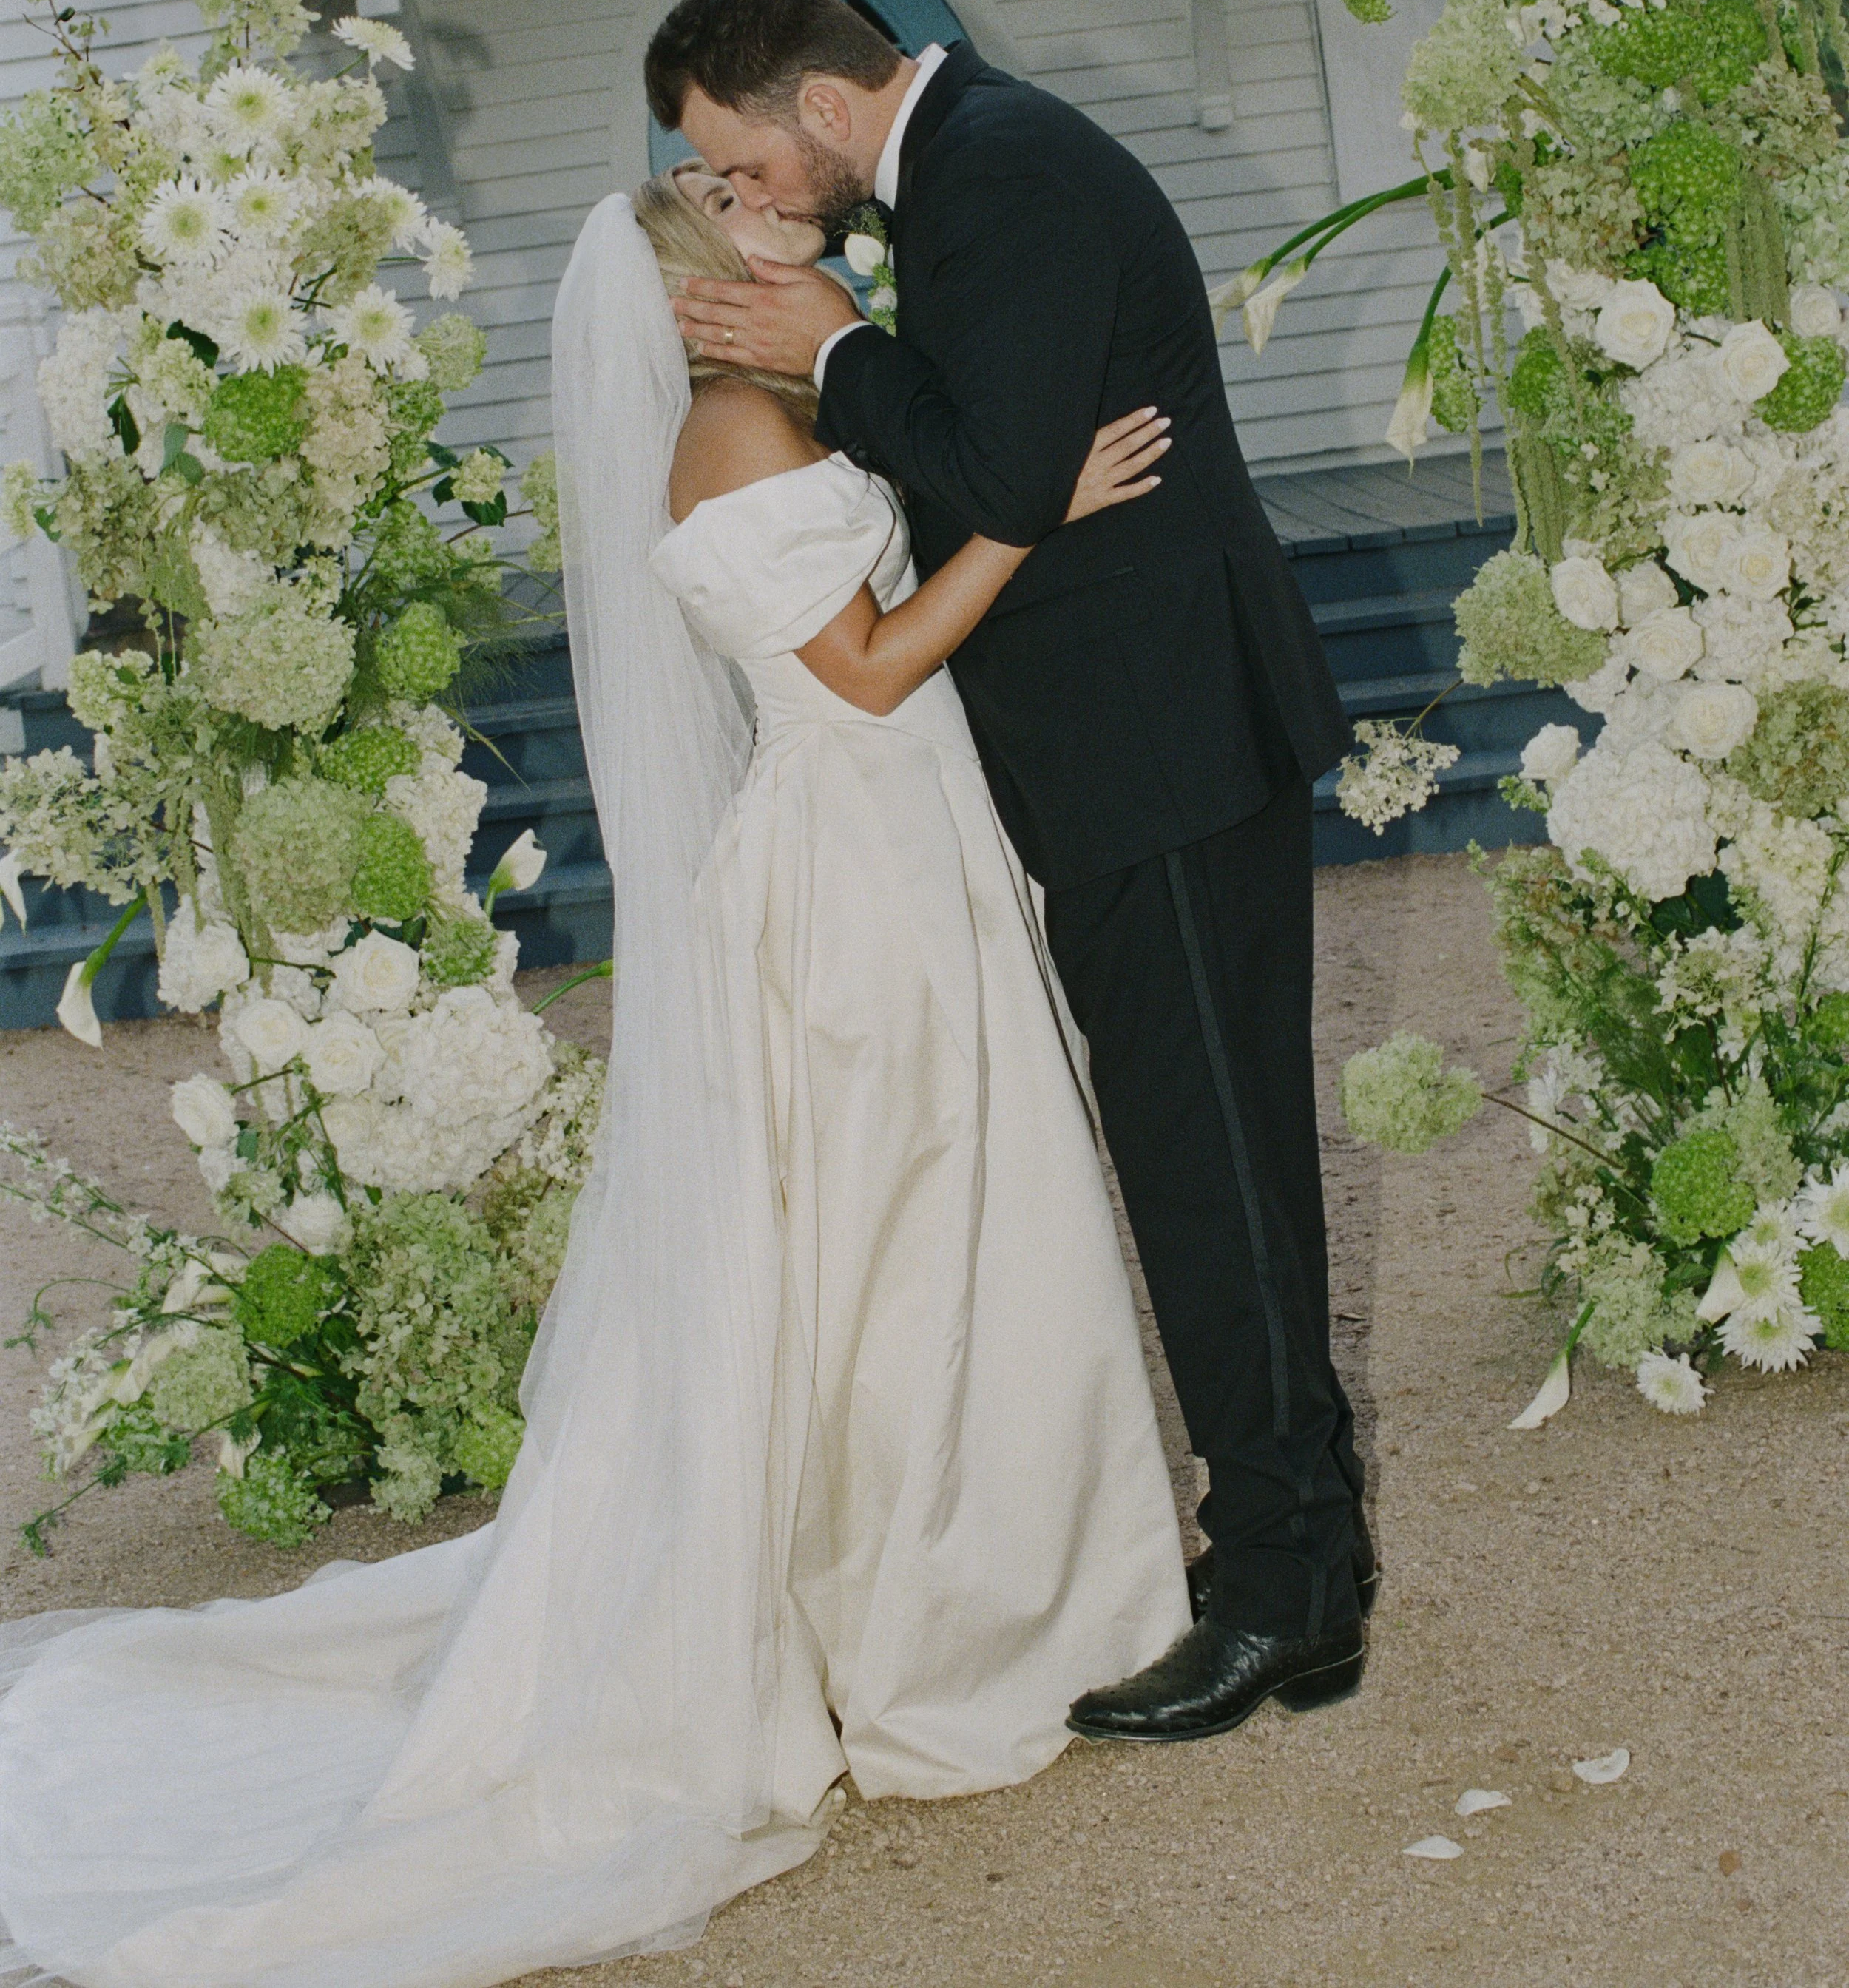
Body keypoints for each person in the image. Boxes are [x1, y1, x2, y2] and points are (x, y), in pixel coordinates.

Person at [0, 175, 1187, 1988]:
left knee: (947, 1211)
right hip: (849, 854)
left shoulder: (787, 401)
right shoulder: (721, 436)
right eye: (741, 220)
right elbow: (860, 671)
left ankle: (988, 1573)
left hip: (902, 832)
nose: (783, 223)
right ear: (697, 290)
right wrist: (1030, 516)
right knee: (901, 1215)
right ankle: (923, 1608)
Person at [654, 0, 1373, 1745]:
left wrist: (824, 348)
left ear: (821, 109)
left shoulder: (1001, 173)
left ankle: (1285, 1592)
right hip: (1137, 749)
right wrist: (854, 360)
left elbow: (1002, 461)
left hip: (1161, 750)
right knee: (1210, 1166)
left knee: (1211, 1173)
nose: (735, 198)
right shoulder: (972, 162)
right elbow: (1015, 470)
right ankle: (1296, 1556)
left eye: (734, 159)